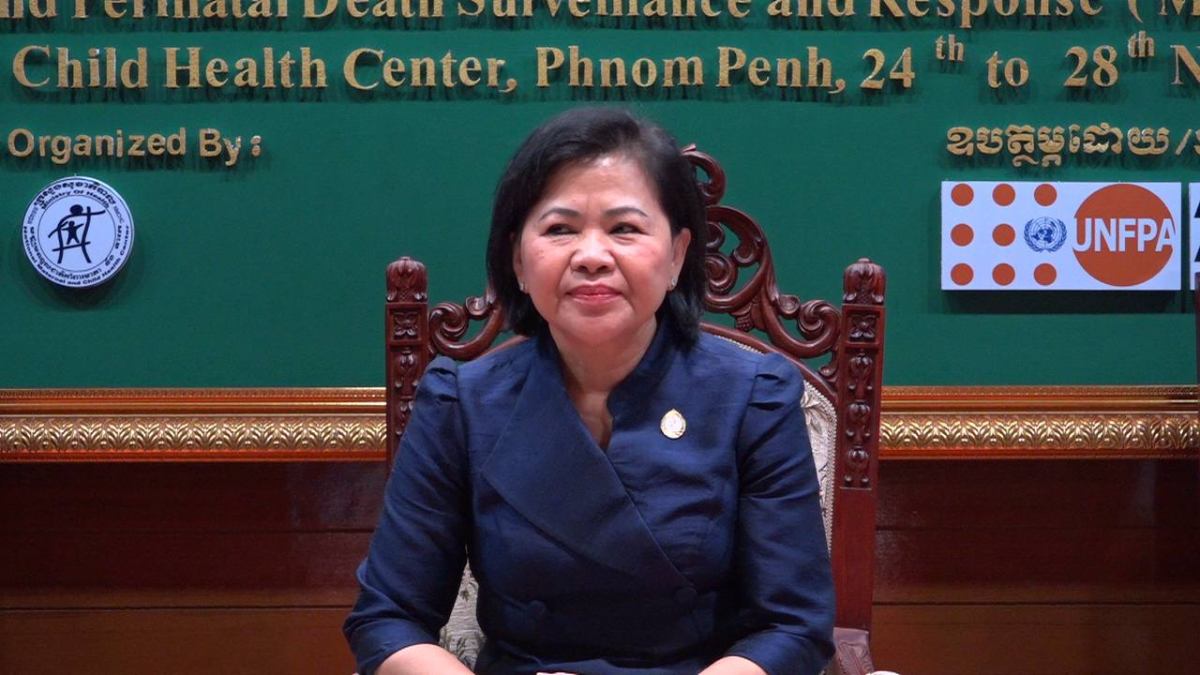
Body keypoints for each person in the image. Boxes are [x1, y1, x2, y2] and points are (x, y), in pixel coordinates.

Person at [344, 107, 835, 675]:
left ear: (677, 255)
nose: (592, 257)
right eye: (560, 229)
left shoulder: (753, 397)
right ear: (518, 260)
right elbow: (387, 618)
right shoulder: (461, 404)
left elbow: (794, 625)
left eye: (625, 229)